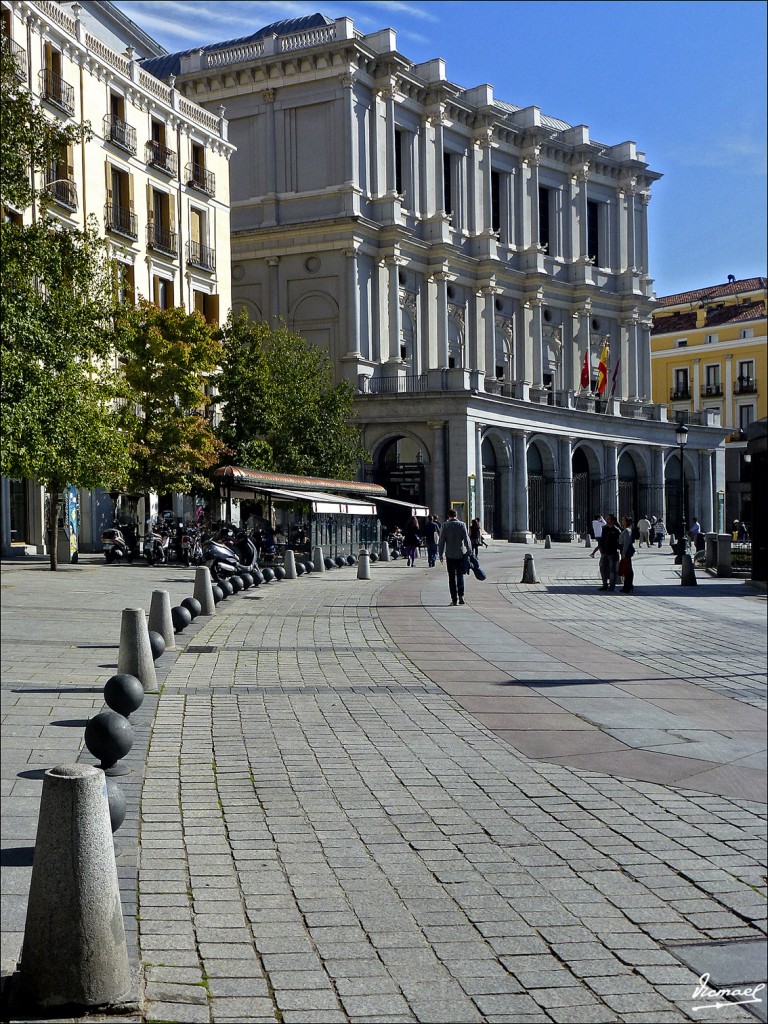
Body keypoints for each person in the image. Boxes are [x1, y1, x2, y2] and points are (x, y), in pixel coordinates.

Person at [438, 509, 471, 606]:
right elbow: (466, 539)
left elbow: (441, 541)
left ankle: (454, 599)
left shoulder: (444, 525)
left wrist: (440, 554)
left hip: (449, 555)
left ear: (448, 516)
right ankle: (461, 596)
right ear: (456, 515)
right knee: (460, 575)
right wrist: (469, 551)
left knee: (451, 577)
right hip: (460, 554)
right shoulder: (462, 525)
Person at [599, 513, 622, 591]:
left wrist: (615, 548)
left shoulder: (616, 530)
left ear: (612, 520)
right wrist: (600, 547)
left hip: (612, 553)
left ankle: (611, 586)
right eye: (607, 518)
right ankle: (604, 584)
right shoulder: (604, 529)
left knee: (612, 570)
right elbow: (601, 539)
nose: (607, 520)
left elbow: (619, 542)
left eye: (609, 519)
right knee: (602, 568)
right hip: (604, 552)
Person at [619, 514, 636, 593]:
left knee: (627, 569)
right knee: (627, 568)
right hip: (625, 550)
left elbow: (626, 543)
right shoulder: (627, 530)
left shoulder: (627, 531)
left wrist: (623, 553)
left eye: (623, 520)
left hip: (626, 551)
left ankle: (628, 586)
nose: (621, 521)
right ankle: (628, 585)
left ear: (626, 522)